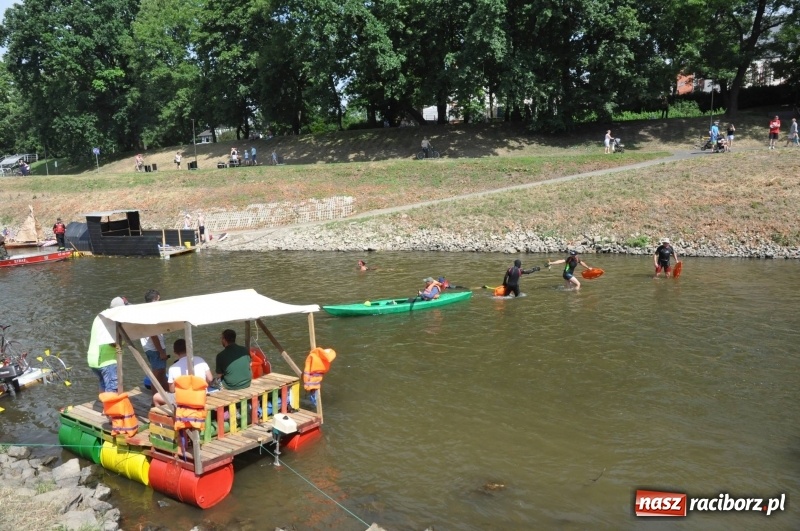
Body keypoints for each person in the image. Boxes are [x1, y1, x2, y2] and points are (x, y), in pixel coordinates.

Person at [153, 339, 214, 406]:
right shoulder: (200, 360)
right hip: (202, 395)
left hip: (184, 399)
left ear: (175, 352)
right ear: (189, 348)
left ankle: (170, 415)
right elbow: (210, 379)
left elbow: (172, 390)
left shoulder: (173, 368)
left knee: (156, 397)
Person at [87, 296, 129, 393]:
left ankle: (103, 406)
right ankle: (109, 408)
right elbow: (112, 342)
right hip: (107, 361)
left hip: (93, 360)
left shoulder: (100, 316)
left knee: (103, 384)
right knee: (112, 389)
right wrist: (124, 340)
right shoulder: (111, 320)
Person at [141, 289, 169, 392]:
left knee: (161, 373)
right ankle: (155, 400)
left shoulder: (144, 312)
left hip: (150, 348)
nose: (160, 301)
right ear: (154, 300)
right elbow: (153, 335)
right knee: (157, 375)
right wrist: (161, 351)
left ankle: (167, 395)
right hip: (155, 348)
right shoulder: (150, 314)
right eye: (158, 299)